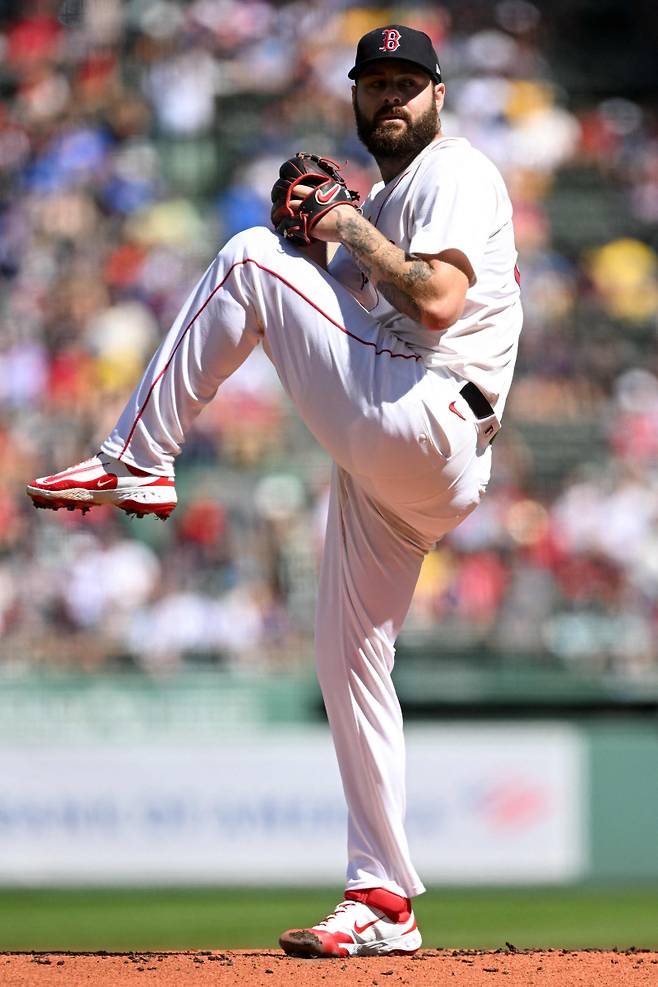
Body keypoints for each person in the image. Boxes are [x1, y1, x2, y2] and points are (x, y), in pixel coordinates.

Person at [27, 25, 522, 957]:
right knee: (350, 665)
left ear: (440, 94)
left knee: (251, 257)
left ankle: (135, 452)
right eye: (374, 82)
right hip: (408, 453)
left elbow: (438, 300)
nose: (389, 98)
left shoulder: (454, 170)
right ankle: (382, 896)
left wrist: (332, 227)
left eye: (407, 82)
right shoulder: (391, 194)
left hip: (426, 410)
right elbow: (351, 302)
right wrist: (330, 237)